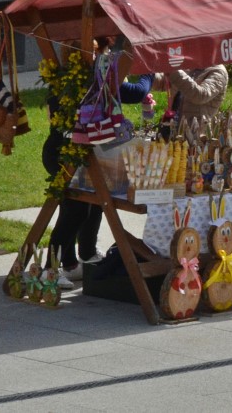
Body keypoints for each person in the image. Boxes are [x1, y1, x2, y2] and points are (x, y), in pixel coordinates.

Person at [47, 39, 163, 288]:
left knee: (94, 201)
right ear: (93, 54)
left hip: (78, 153)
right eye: (106, 52)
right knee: (74, 210)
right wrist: (149, 69)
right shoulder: (89, 79)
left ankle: (81, 258)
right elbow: (136, 92)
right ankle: (49, 269)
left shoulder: (77, 76)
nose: (110, 57)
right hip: (65, 154)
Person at [167, 64, 229, 132]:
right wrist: (159, 70)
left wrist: (173, 71)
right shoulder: (194, 64)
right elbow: (167, 82)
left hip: (196, 131)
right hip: (177, 125)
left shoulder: (218, 71)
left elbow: (201, 96)